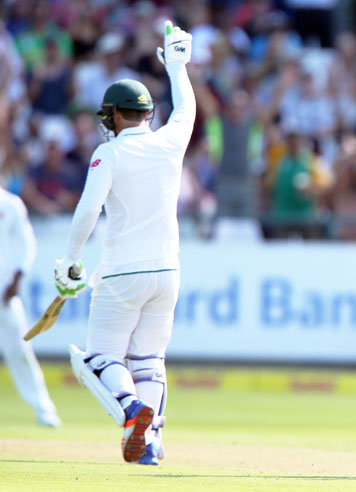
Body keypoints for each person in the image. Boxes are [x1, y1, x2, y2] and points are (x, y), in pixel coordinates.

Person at [53, 21, 195, 465]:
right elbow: (186, 109)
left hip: (120, 272)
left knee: (101, 359)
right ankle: (149, 443)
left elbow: (87, 211)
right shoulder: (170, 142)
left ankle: (132, 410)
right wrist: (178, 66)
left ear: (114, 115)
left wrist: (70, 261)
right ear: (146, 115)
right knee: (150, 360)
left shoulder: (109, 153)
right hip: (167, 272)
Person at [0, 184, 61, 427]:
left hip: (3, 288)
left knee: (20, 350)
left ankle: (43, 408)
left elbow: (27, 243)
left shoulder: (9, 203)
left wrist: (18, 275)